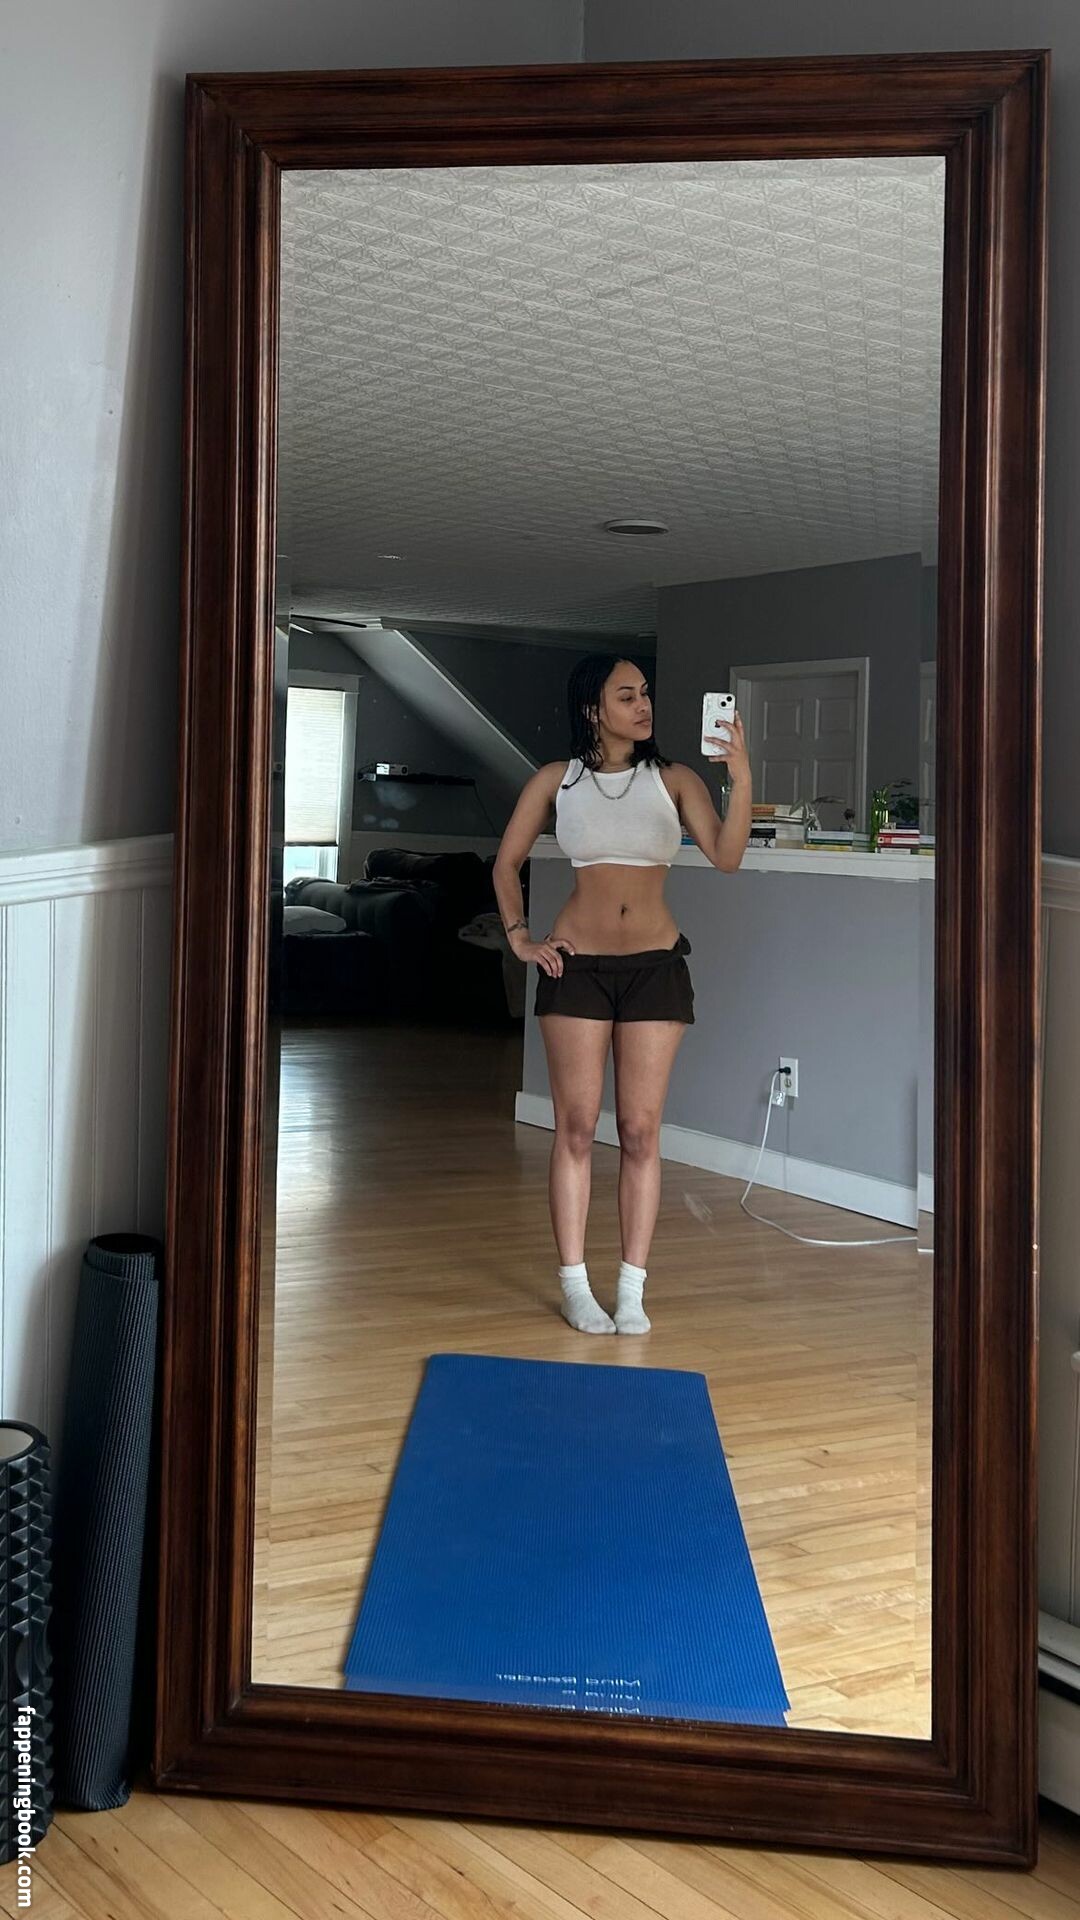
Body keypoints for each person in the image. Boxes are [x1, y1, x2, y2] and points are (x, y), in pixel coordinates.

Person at [493, 654, 752, 1336]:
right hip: (575, 968)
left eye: (645, 694)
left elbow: (728, 857)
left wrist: (741, 775)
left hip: (654, 969)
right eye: (626, 695)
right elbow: (506, 863)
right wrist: (520, 938)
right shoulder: (557, 780)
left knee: (639, 1131)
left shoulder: (674, 779)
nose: (644, 705)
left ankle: (631, 1290)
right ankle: (576, 1287)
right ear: (593, 709)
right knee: (576, 1127)